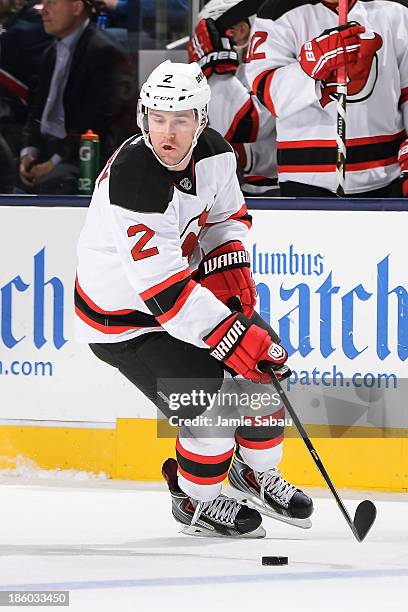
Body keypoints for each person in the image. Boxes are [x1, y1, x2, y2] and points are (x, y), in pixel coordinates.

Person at [75, 59, 313, 538]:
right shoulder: (133, 181)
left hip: (184, 298)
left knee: (264, 372)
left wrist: (231, 270)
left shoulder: (215, 154)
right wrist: (229, 333)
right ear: (143, 118)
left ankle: (254, 472)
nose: (168, 132)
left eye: (181, 119)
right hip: (124, 323)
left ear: (201, 120)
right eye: (158, 118)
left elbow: (228, 218)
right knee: (214, 407)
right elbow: (164, 294)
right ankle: (195, 502)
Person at [245, 0, 408, 197]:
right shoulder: (277, 12)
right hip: (304, 179)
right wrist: (309, 67)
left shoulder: (396, 11)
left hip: (387, 175)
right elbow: (268, 94)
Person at [18, 0, 129, 194]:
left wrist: (53, 163)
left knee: (53, 183)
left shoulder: (104, 53)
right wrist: (29, 151)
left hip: (85, 156)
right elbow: (36, 111)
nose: (43, 10)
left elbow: (96, 121)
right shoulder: (51, 52)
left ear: (77, 8)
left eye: (51, 3)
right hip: (48, 151)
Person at [188, 0, 278, 196]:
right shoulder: (236, 70)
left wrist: (216, 70)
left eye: (213, 32)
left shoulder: (269, 61)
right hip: (249, 186)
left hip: (280, 188)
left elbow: (247, 124)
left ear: (242, 29)